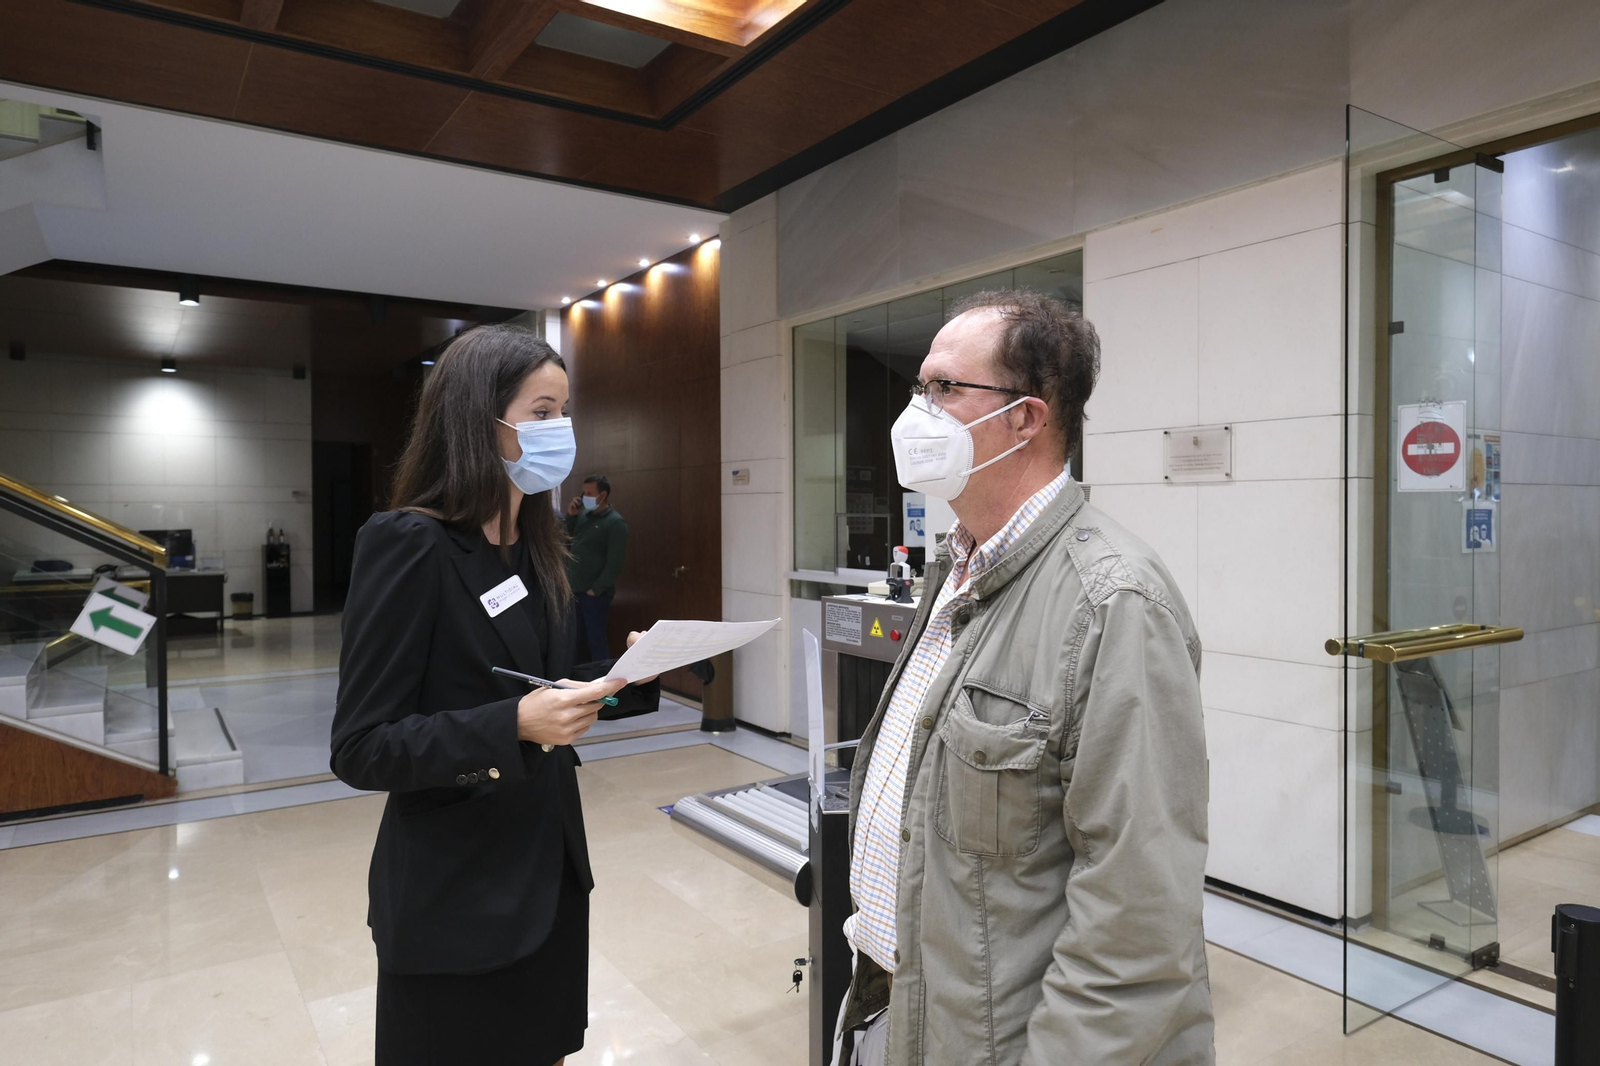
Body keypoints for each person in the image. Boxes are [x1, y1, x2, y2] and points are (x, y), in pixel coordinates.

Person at [837, 291, 1214, 1065]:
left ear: (1027, 419)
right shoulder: (958, 566)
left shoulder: (1114, 603)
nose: (919, 412)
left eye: (944, 389)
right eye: (919, 388)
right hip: (906, 1010)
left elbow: (1135, 923)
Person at [329, 324, 660, 1066]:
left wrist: (626, 679)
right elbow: (360, 745)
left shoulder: (538, 547)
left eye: (565, 411)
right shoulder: (410, 544)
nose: (561, 430)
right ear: (481, 421)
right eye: (541, 412)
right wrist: (509, 725)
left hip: (545, 880)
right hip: (456, 897)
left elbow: (551, 688)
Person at [564, 473, 628, 659]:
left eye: (589, 493)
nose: (585, 498)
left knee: (596, 641)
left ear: (603, 495)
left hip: (594, 594)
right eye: (583, 493)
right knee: (573, 640)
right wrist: (571, 516)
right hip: (573, 589)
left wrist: (597, 588)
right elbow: (567, 538)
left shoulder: (616, 523)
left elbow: (615, 562)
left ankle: (603, 685)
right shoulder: (583, 515)